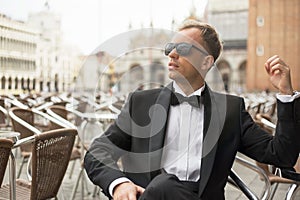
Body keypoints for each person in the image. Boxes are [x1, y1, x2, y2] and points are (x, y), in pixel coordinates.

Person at [84, 19, 300, 200]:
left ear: (206, 62)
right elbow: (97, 153)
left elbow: (281, 155)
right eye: (170, 48)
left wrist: (286, 95)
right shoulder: (141, 104)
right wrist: (119, 184)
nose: (172, 54)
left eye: (184, 48)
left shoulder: (230, 110)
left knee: (164, 186)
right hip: (149, 196)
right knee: (162, 187)